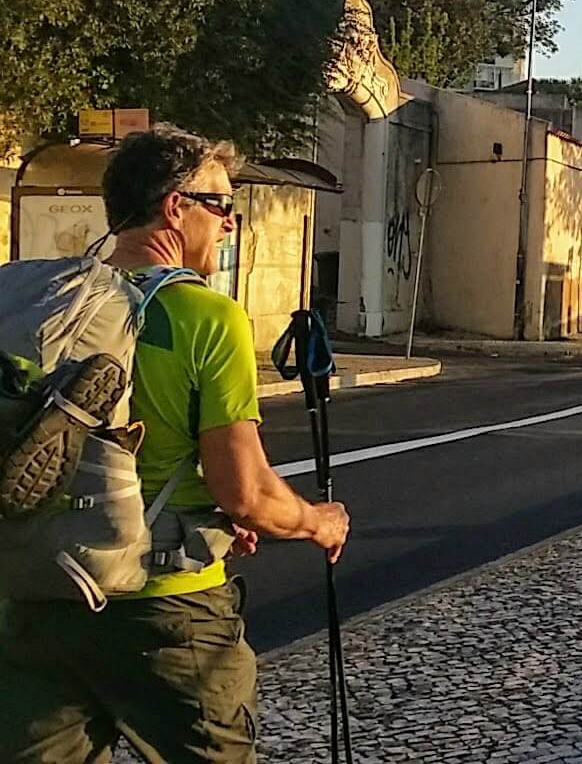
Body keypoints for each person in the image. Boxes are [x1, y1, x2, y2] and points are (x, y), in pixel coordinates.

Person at [0, 126, 351, 764]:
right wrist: (315, 522)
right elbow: (245, 494)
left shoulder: (52, 308)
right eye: (219, 206)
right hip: (166, 615)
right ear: (174, 207)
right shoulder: (208, 317)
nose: (229, 224)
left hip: (39, 605)